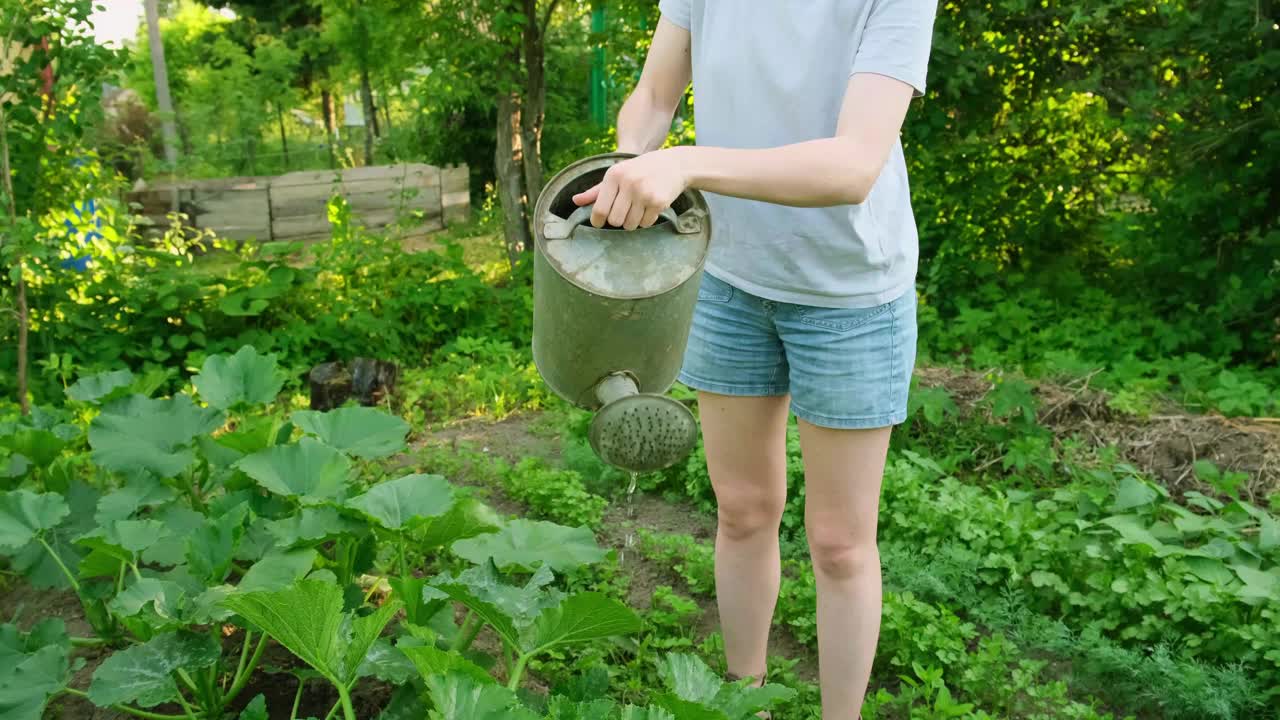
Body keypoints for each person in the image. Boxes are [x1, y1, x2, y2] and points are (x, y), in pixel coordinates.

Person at [572, 1, 938, 717]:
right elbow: (654, 96)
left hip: (850, 291)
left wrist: (683, 162)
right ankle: (746, 702)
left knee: (838, 544)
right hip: (731, 277)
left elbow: (853, 164)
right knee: (741, 511)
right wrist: (631, 166)